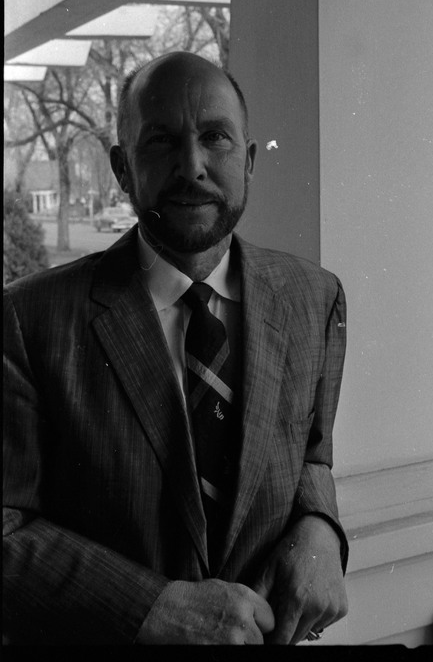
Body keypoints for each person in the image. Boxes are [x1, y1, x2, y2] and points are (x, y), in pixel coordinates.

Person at [3, 51, 348, 645]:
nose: (192, 166)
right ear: (121, 167)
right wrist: (149, 609)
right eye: (160, 141)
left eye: (214, 137)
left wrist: (319, 528)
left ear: (249, 160)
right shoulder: (26, 320)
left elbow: (311, 454)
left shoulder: (314, 299)